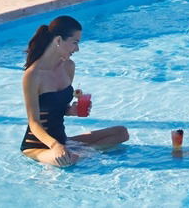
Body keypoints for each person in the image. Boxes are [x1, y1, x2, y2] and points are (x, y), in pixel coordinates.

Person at [19, 15, 129, 167]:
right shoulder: (33, 75)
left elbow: (59, 108)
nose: (77, 49)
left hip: (63, 140)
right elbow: (34, 122)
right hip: (37, 145)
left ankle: (85, 152)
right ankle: (76, 154)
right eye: (75, 43)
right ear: (58, 40)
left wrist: (71, 111)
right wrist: (55, 146)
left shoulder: (68, 66)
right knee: (69, 160)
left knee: (121, 133)